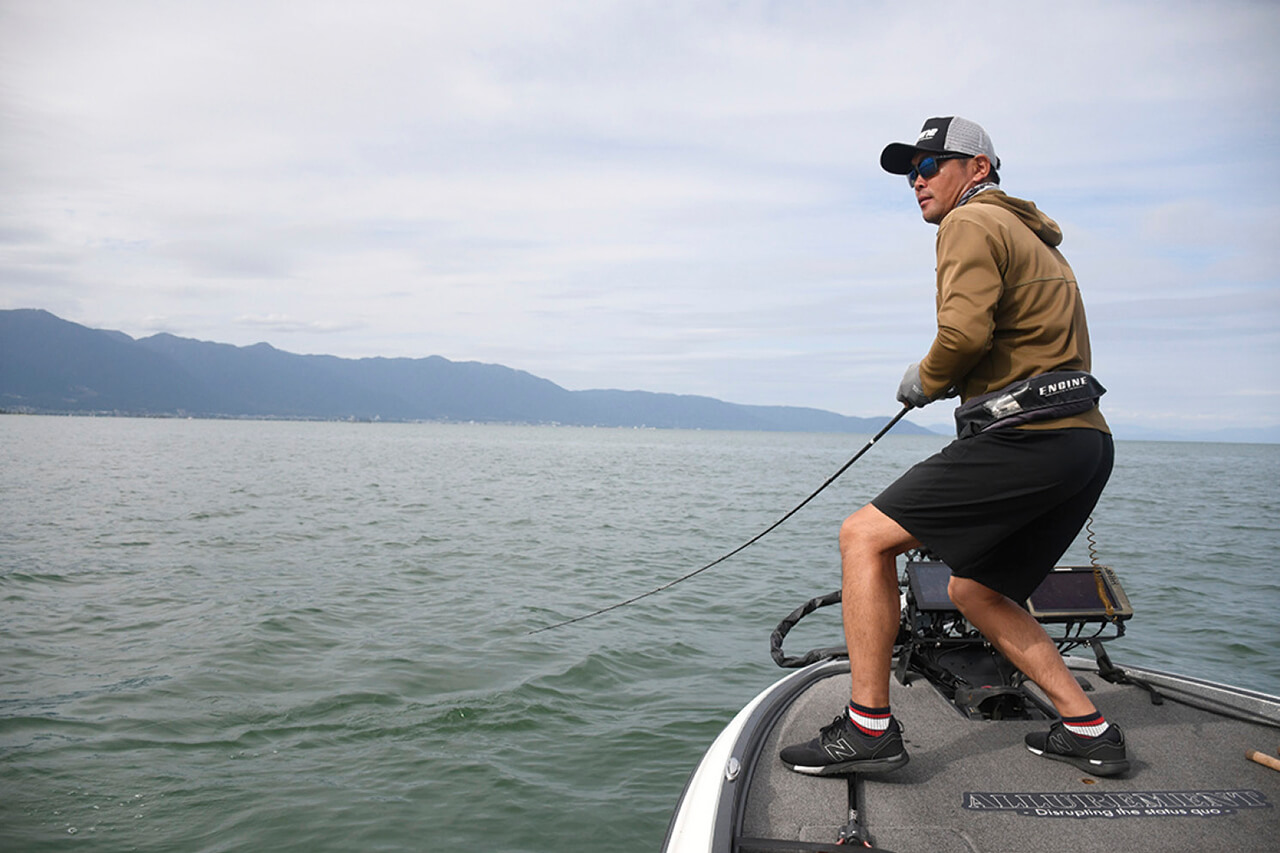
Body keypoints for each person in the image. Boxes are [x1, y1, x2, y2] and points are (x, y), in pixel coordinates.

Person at [779, 116, 1128, 778]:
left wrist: (924, 379)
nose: (917, 180)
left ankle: (868, 730)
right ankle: (1090, 728)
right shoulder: (1037, 239)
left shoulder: (970, 224)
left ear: (978, 169)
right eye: (910, 171)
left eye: (931, 165)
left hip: (1025, 436)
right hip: (1084, 444)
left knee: (863, 536)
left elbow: (964, 336)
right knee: (976, 589)